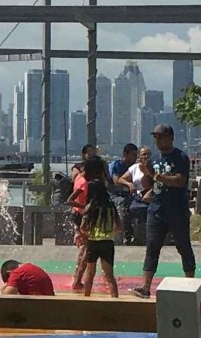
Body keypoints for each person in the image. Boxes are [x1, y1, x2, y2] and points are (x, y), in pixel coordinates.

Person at [134, 124, 194, 299]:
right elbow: (148, 184)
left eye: (161, 137)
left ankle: (191, 282)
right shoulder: (154, 159)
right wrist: (145, 172)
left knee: (183, 246)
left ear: (170, 138)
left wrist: (156, 175)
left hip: (177, 209)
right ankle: (145, 287)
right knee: (152, 247)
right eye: (156, 138)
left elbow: (179, 181)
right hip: (156, 209)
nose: (158, 141)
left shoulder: (180, 157)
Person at [76, 179, 121, 297]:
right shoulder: (111, 207)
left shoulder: (90, 207)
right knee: (109, 275)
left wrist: (90, 233)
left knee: (90, 273)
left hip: (93, 242)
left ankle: (87, 298)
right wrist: (109, 232)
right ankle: (115, 301)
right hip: (108, 242)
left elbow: (82, 228)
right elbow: (119, 227)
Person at [115, 145, 154, 246]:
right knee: (130, 208)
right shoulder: (134, 168)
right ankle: (131, 235)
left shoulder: (154, 166)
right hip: (138, 196)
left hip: (152, 194)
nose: (146, 157)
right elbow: (120, 179)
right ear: (139, 156)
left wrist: (151, 192)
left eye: (148, 154)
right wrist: (130, 184)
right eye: (144, 154)